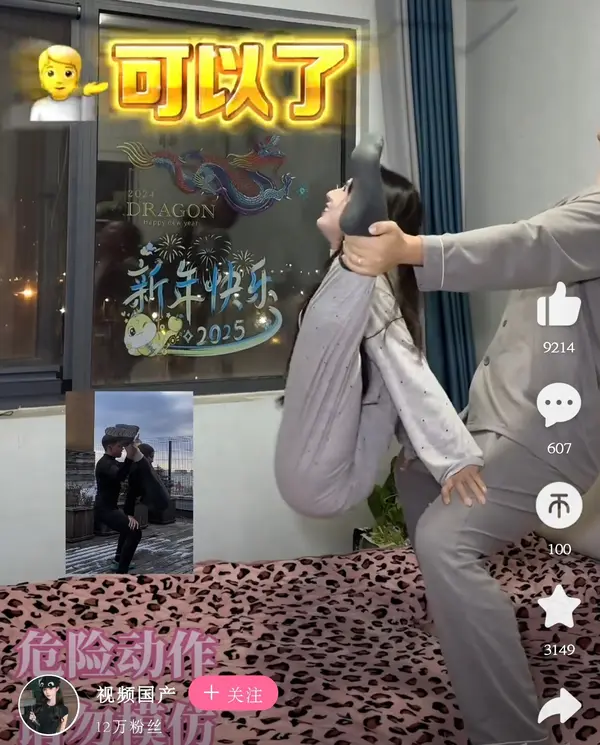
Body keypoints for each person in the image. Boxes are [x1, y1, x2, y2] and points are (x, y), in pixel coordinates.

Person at [336, 185, 600, 745]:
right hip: (495, 417)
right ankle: (457, 620)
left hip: (547, 434)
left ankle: (512, 735)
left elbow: (528, 244)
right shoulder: (585, 199)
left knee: (444, 541)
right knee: (414, 469)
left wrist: (410, 249)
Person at [275, 168, 488, 600]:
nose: (332, 192)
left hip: (326, 480)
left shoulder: (367, 286)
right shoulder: (347, 281)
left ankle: (455, 588)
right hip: (319, 466)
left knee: (389, 360)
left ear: (372, 218)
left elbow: (406, 369)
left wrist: (456, 458)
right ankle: (444, 594)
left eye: (346, 191)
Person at [95, 435, 143, 573]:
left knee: (127, 528)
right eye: (119, 446)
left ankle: (118, 560)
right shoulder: (104, 464)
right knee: (135, 531)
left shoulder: (112, 462)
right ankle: (122, 571)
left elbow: (127, 469)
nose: (122, 448)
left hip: (111, 508)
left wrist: (135, 449)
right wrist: (129, 456)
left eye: (122, 446)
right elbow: (120, 476)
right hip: (104, 510)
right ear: (110, 447)